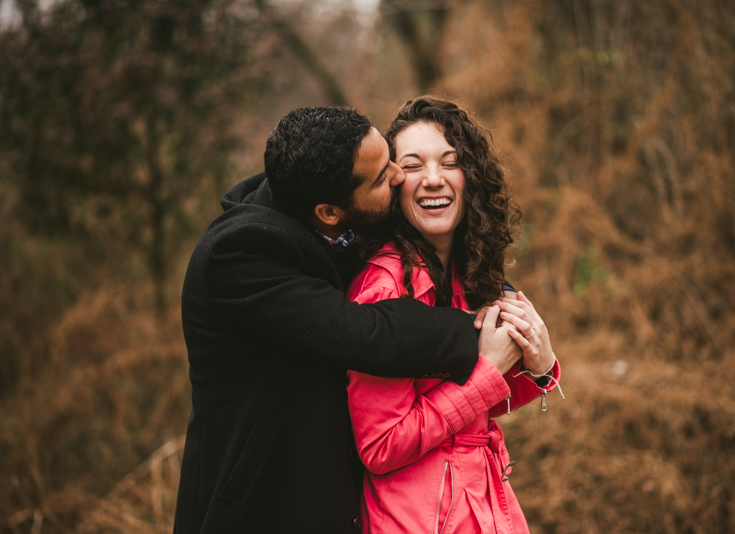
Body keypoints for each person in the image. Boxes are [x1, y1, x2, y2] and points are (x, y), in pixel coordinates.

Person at [174, 106, 525, 533]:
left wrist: (502, 299)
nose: (399, 176)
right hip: (259, 505)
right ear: (329, 212)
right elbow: (366, 333)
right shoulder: (239, 254)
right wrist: (483, 329)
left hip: (339, 496)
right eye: (382, 177)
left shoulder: (331, 204)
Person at [346, 96, 562, 533]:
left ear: (472, 178)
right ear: (391, 182)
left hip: (483, 506)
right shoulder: (385, 288)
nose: (432, 179)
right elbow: (381, 445)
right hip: (416, 520)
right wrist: (487, 371)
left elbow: (480, 406)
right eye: (411, 166)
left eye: (450, 162)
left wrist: (541, 369)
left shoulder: (470, 273)